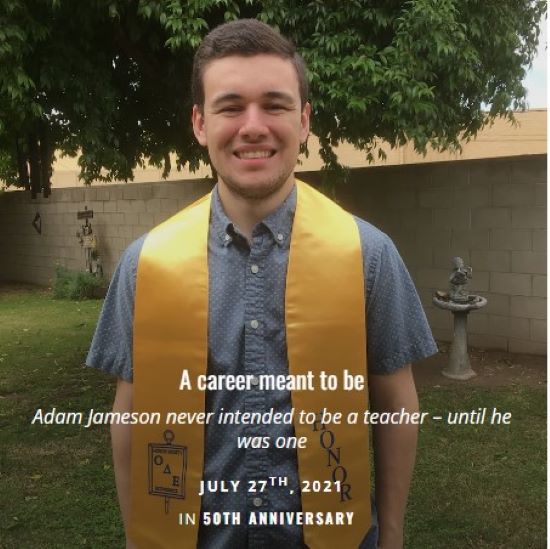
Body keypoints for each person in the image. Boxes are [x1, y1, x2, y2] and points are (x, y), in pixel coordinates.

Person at [87, 19, 437, 549]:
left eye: (274, 105)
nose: (253, 126)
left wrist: (391, 537)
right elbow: (131, 412)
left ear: (304, 120)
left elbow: (396, 402)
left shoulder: (368, 255)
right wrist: (138, 538)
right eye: (231, 107)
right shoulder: (146, 263)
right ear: (201, 124)